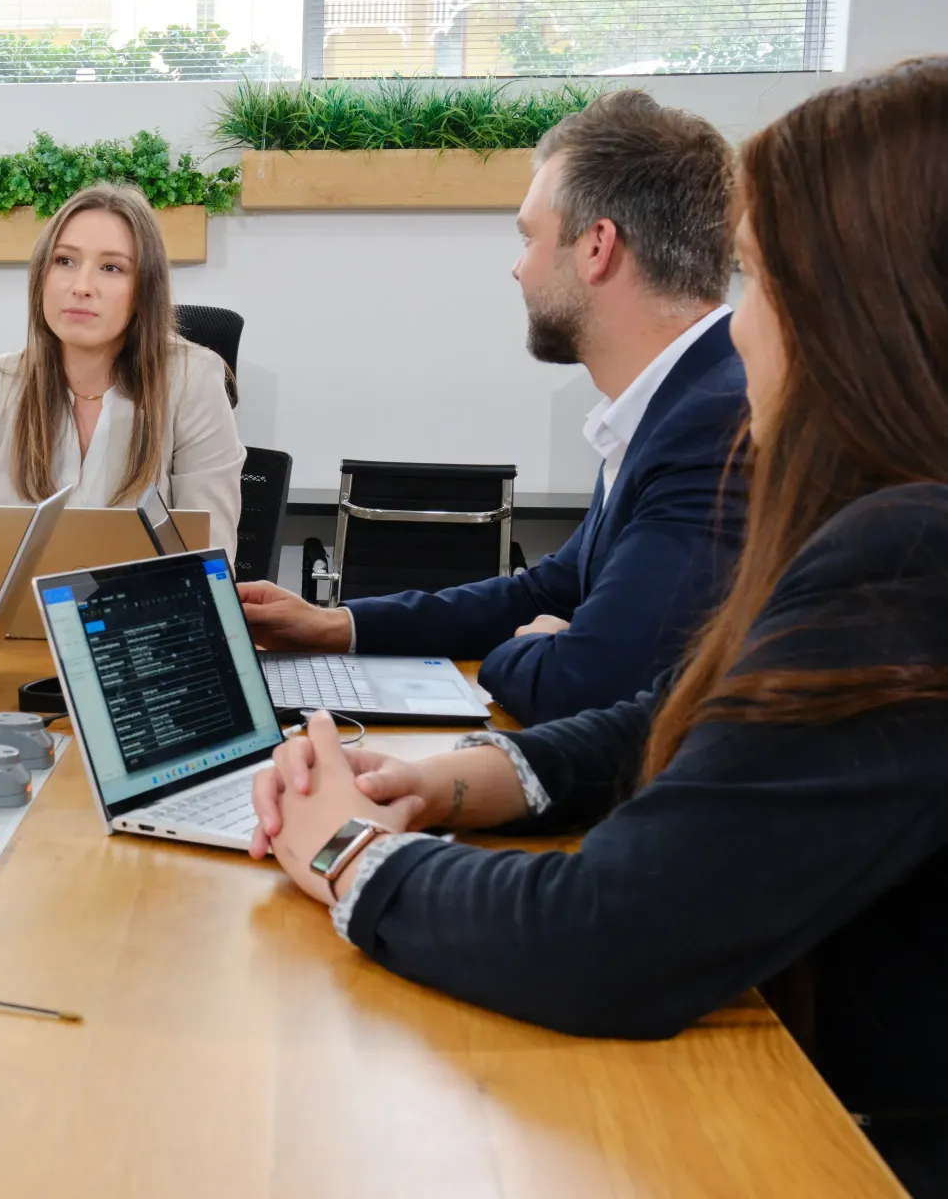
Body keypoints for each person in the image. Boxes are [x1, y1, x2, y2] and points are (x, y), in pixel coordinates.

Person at [247, 60, 948, 1195]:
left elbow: (607, 935)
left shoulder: (910, 557)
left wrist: (345, 850)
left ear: (856, 307)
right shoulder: (887, 518)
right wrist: (471, 777)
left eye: (759, 280)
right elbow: (712, 717)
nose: (739, 323)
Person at [240, 90, 749, 726]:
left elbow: (584, 681)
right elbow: (548, 591)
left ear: (597, 247)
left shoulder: (715, 422)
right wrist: (333, 623)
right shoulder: (670, 403)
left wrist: (527, 649)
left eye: (529, 238)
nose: (518, 270)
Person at [0, 183, 245, 603]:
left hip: (133, 646)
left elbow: (210, 562)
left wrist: (18, 579)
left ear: (144, 290)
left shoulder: (192, 381)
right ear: (41, 277)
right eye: (64, 261)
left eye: (112, 268)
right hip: (8, 645)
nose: (81, 286)